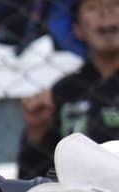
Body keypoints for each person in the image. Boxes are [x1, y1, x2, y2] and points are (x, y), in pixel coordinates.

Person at [18, 0, 119, 179]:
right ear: (77, 28)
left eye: (115, 5)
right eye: (93, 7)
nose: (106, 13)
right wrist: (37, 131)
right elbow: (31, 176)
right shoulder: (65, 91)